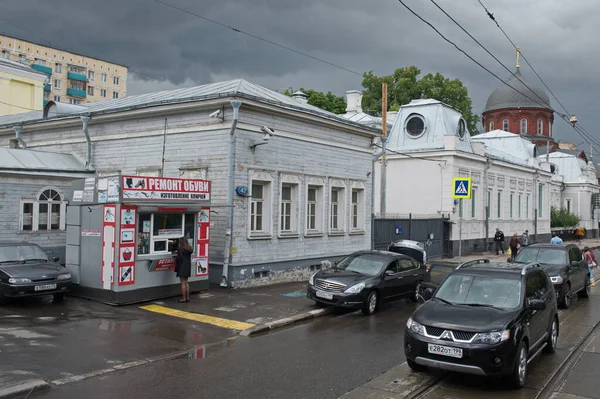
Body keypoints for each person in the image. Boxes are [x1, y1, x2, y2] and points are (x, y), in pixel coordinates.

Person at [173, 237, 194, 303]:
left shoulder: (180, 249)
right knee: (186, 283)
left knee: (182, 283)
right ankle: (187, 298)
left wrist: (175, 256)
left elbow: (180, 258)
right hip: (187, 267)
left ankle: (183, 298)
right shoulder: (190, 248)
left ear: (181, 242)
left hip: (182, 267)